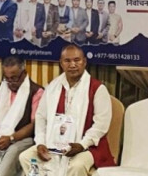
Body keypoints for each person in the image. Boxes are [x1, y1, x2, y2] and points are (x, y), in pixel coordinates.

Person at [19, 45, 115, 176]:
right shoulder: (52, 87)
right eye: (67, 61)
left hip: (88, 147)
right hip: (54, 144)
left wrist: (82, 144)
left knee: (76, 165)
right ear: (61, 63)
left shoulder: (97, 89)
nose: (72, 65)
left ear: (84, 62)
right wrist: (41, 143)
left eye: (77, 60)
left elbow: (101, 125)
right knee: (25, 157)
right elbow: (41, 117)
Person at [0, 55, 44, 176]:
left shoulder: (36, 91)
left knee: (12, 151)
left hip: (23, 138)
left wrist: (11, 138)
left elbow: (34, 125)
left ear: (24, 73)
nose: (10, 82)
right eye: (7, 78)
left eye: (14, 78)